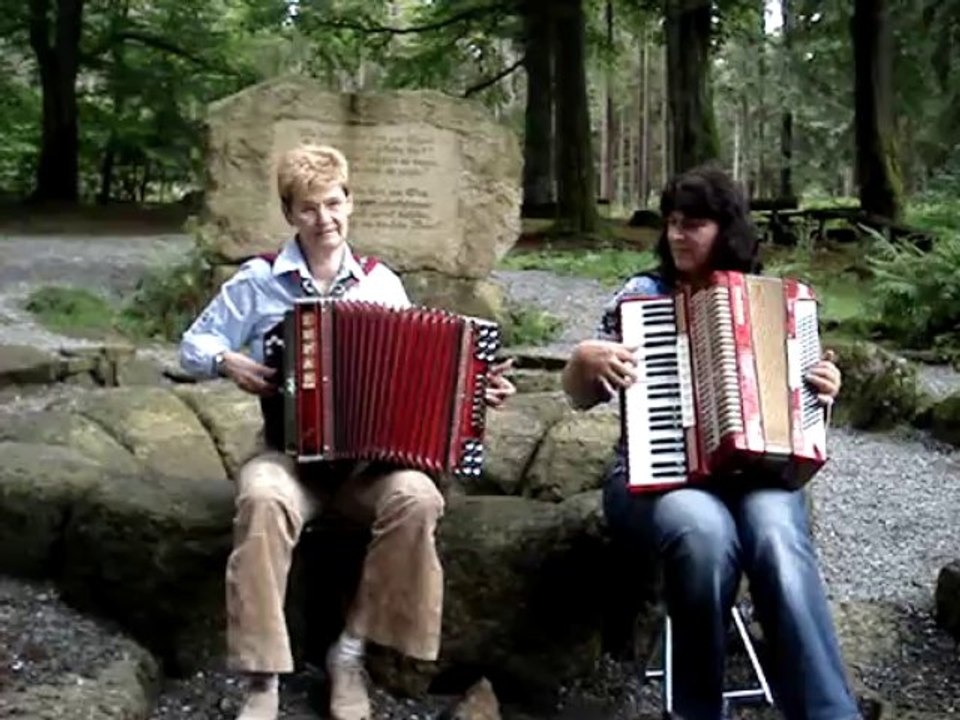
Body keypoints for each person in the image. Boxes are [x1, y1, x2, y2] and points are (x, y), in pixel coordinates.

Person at [179, 143, 515, 720]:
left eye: (334, 203)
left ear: (350, 203)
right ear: (290, 214)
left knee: (418, 498)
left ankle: (350, 653)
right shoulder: (259, 281)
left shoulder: (382, 285)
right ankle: (263, 679)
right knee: (260, 498)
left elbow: (421, 375)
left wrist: (472, 392)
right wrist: (227, 362)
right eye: (309, 208)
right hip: (288, 454)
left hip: (366, 466)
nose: (324, 219)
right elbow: (193, 345)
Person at [561, 165, 860, 720]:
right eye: (672, 222)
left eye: (693, 224)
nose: (677, 235)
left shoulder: (775, 300)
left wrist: (825, 388)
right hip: (657, 479)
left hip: (759, 476)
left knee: (775, 536)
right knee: (703, 531)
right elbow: (581, 397)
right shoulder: (642, 297)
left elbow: (801, 407)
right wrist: (583, 362)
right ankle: (696, 711)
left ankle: (827, 713)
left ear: (726, 229)